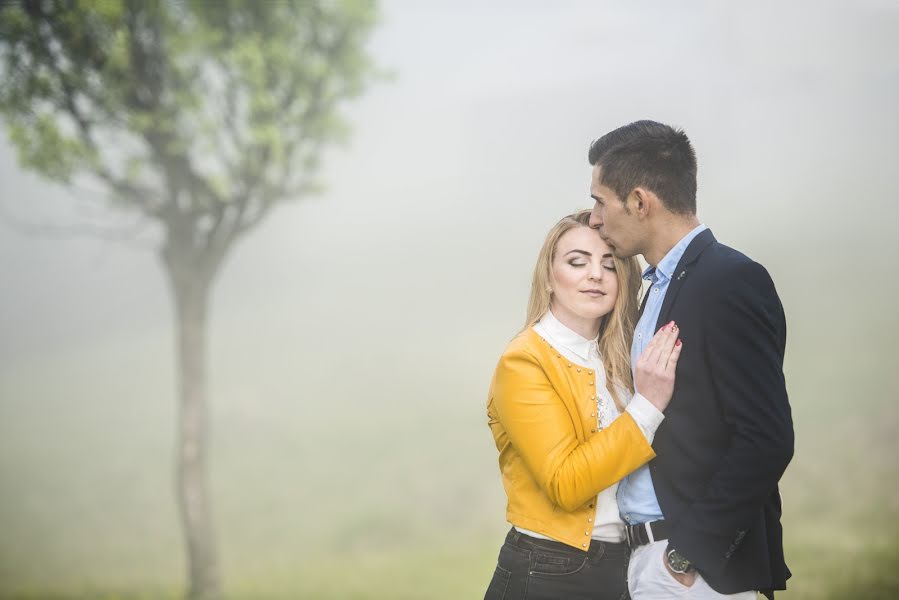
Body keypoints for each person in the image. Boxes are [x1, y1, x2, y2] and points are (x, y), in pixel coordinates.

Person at [587, 120, 794, 600]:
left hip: (690, 576)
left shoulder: (729, 280)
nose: (594, 218)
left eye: (601, 201)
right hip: (644, 562)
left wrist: (689, 553)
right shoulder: (653, 288)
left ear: (640, 202)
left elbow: (766, 437)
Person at [484, 209, 683, 600]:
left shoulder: (623, 359)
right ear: (549, 277)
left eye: (609, 265)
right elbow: (566, 483)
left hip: (623, 564)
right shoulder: (524, 361)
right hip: (548, 569)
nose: (595, 274)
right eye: (577, 262)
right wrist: (647, 405)